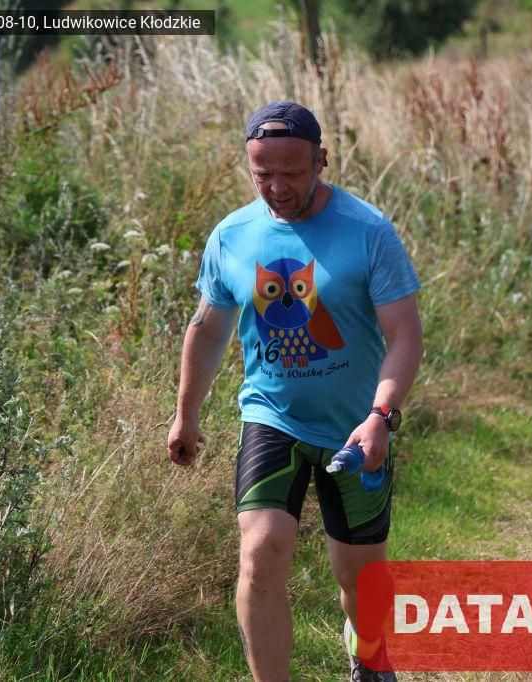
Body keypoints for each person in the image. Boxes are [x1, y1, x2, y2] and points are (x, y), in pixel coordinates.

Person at [167, 101, 423, 681]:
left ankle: (369, 654)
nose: (278, 188)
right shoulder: (233, 236)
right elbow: (208, 329)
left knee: (360, 582)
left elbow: (405, 335)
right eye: (263, 174)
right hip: (272, 416)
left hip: (357, 427)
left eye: (292, 172)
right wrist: (186, 414)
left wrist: (381, 415)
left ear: (322, 160)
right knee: (261, 552)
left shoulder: (369, 232)